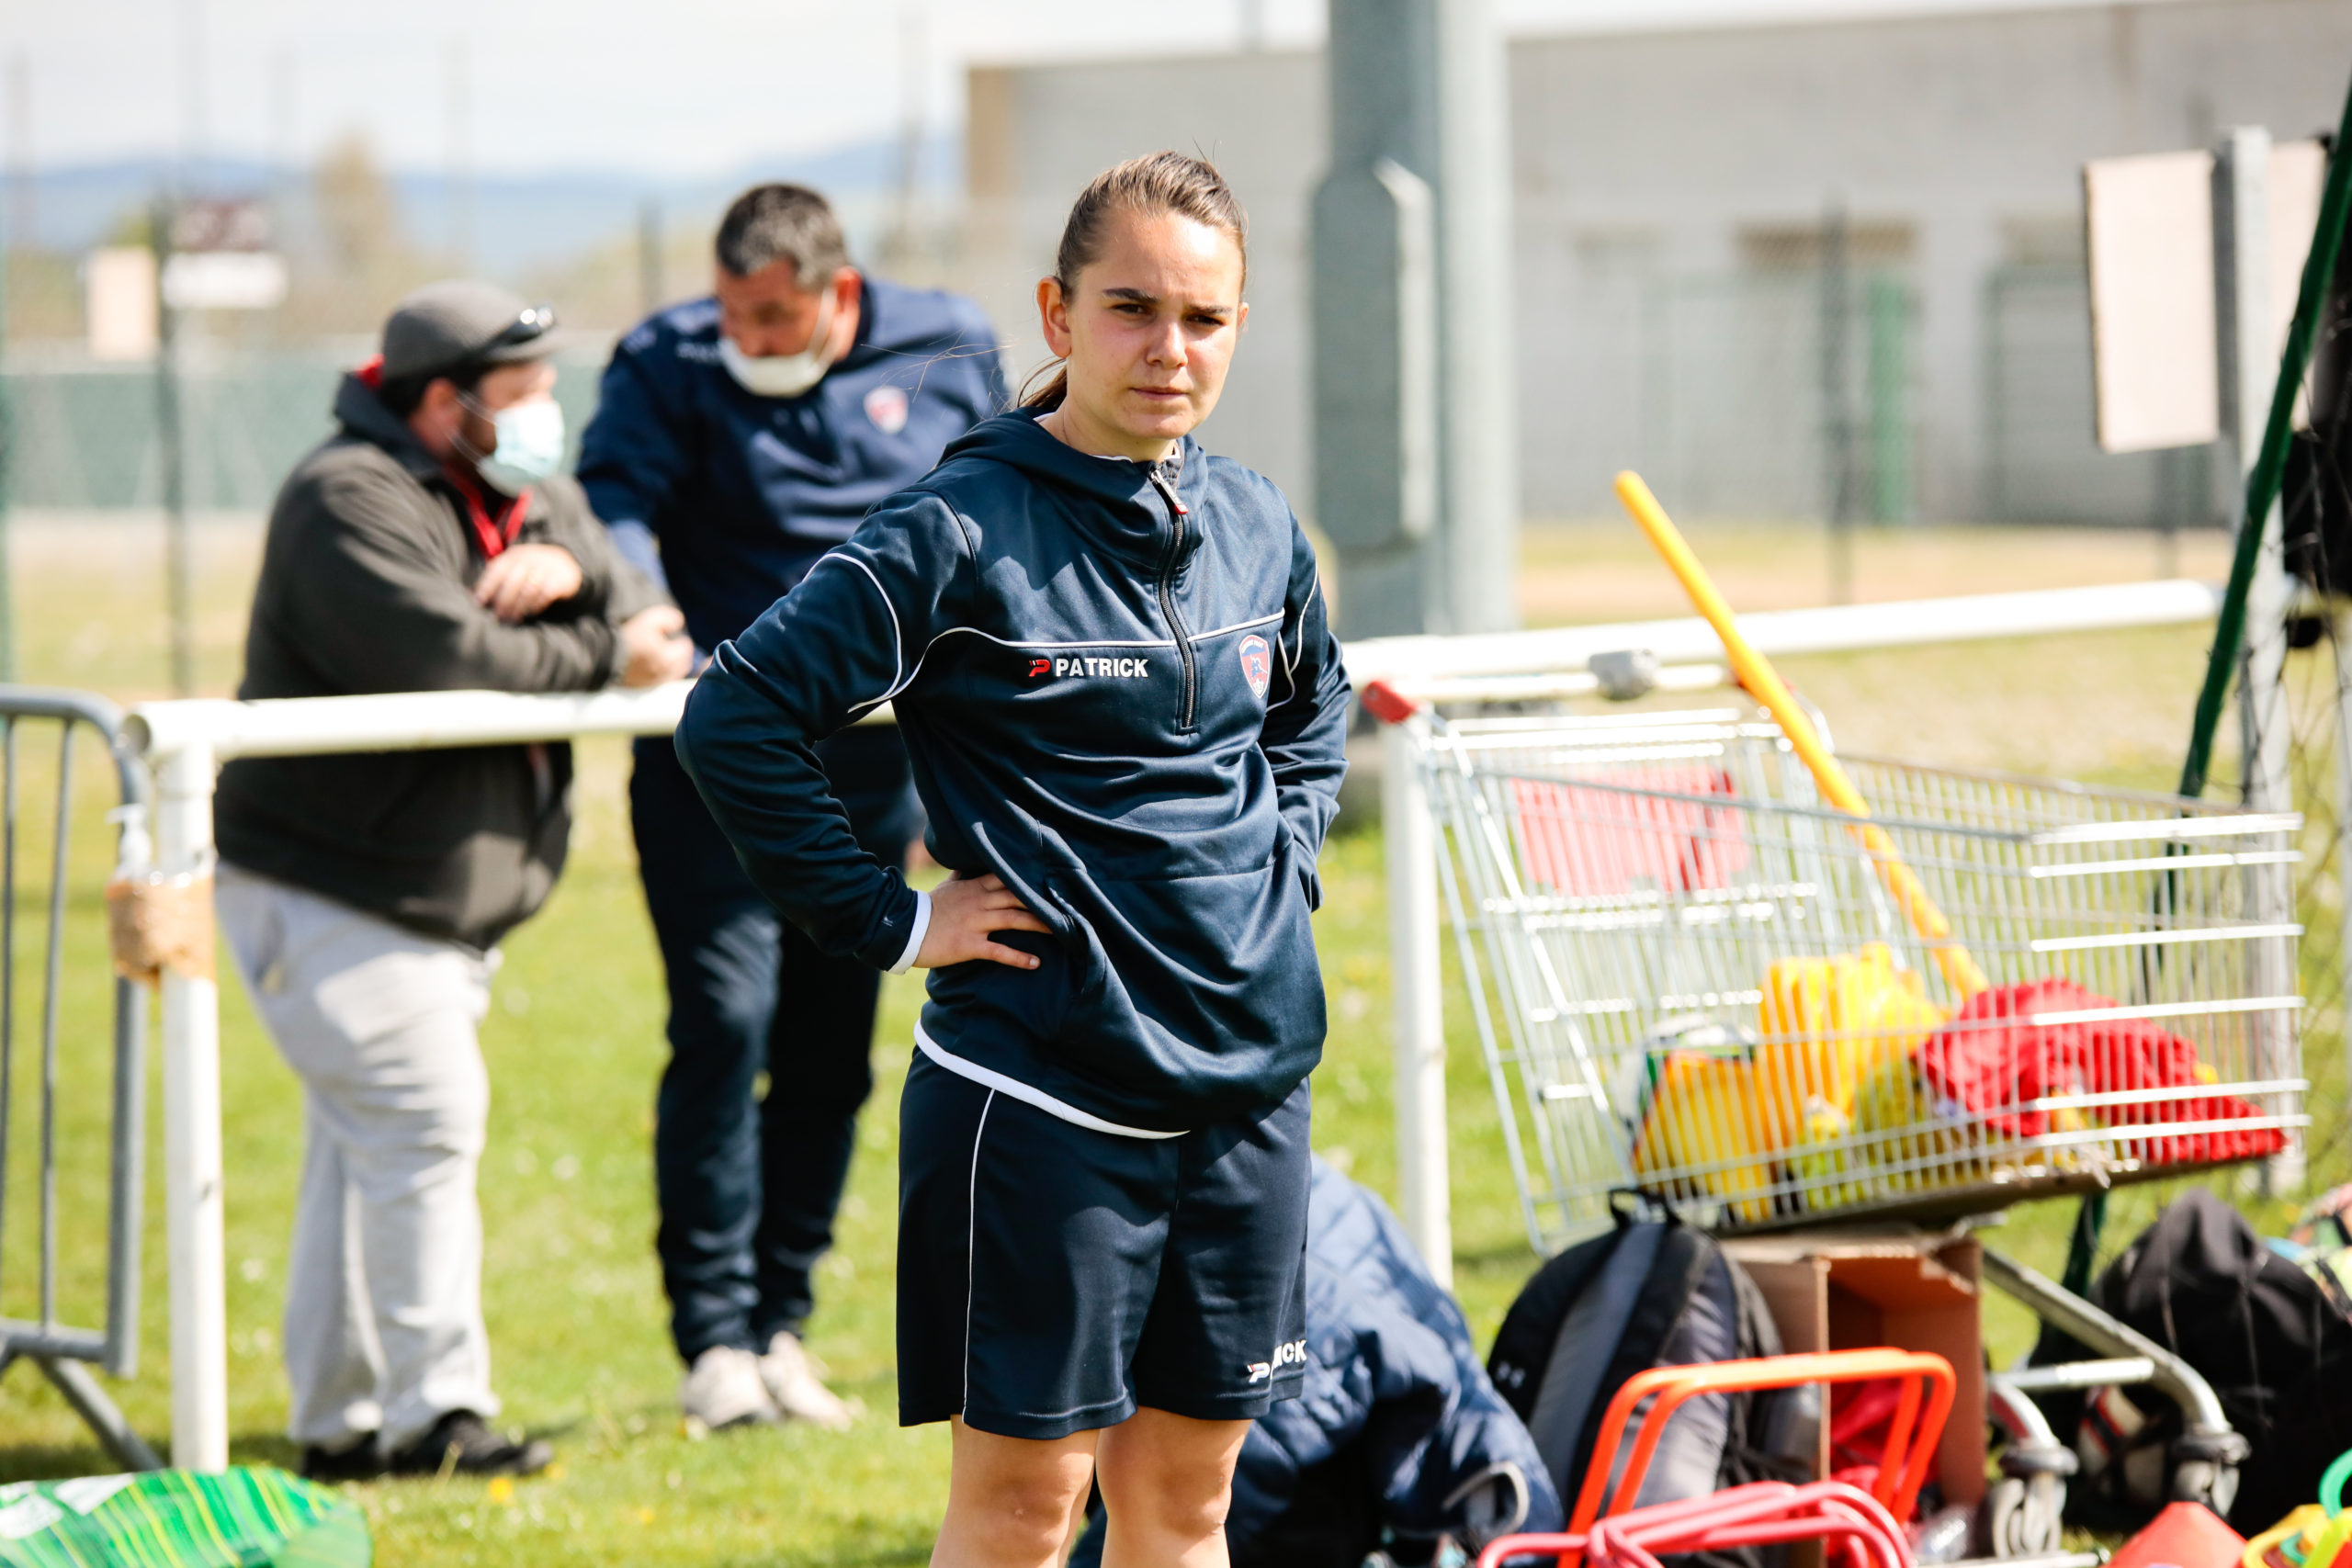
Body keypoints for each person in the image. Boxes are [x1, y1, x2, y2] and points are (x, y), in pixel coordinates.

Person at [676, 151, 1351, 1567]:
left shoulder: (1257, 521)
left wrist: (1281, 869)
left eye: (1206, 319)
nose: (1169, 350)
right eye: (1130, 308)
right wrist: (890, 924)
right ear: (1055, 313)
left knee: (1189, 1504)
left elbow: (1311, 710)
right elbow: (736, 715)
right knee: (1027, 1511)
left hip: (1245, 1091)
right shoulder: (959, 529)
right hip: (1041, 1096)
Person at [213, 280, 694, 1482]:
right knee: (425, 1126)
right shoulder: (347, 497)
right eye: (520, 397)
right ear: (441, 404)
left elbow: (641, 601)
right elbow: (448, 654)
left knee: (360, 1151)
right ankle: (437, 1417)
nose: (544, 420)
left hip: (427, 906)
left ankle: (340, 1424)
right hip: (339, 892)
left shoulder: (527, 490)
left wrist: (573, 582)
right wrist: (601, 649)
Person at [575, 184, 1005, 1430]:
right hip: (715, 750)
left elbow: (994, 505)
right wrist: (640, 604)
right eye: (732, 313)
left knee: (832, 1049)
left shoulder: (946, 346)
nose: (747, 338)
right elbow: (614, 496)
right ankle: (709, 1341)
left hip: (877, 759)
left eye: (772, 317)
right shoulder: (668, 358)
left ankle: (781, 1326)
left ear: (840, 292)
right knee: (723, 1023)